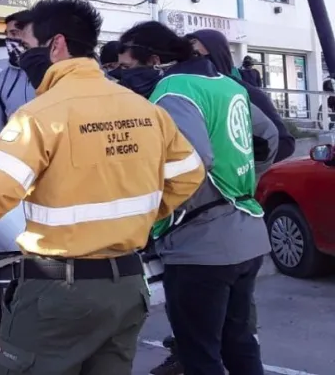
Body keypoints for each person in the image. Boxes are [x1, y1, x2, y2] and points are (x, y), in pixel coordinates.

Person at [0, 0, 204, 375]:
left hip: (58, 293)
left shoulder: (39, 115)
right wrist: (142, 214)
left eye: (26, 46)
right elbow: (189, 174)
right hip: (126, 287)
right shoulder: (147, 110)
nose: (22, 56)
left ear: (56, 45)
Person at [117, 21, 277, 375]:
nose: (121, 75)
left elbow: (194, 159)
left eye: (126, 67)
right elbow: (269, 139)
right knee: (239, 341)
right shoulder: (225, 85)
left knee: (200, 353)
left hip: (200, 244)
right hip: (246, 234)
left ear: (154, 60)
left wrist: (156, 211)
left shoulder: (173, 89)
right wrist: (240, 181)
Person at [189, 30, 295, 163]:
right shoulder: (180, 93)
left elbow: (285, 144)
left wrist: (241, 163)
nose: (189, 63)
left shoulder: (247, 93)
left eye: (196, 55)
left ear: (216, 55)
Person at [0, 10, 35, 156]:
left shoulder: (54, 72)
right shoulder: (2, 80)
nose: (8, 39)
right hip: (18, 161)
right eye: (6, 34)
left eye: (14, 33)